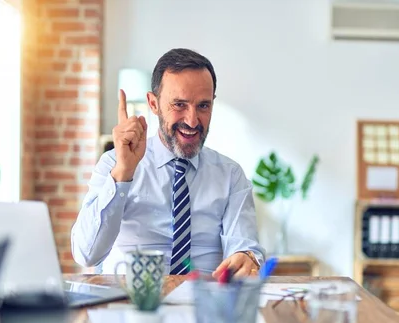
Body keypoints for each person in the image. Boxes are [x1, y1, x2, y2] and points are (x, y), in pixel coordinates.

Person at [71, 48, 265, 278]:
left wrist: (246, 257)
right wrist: (123, 173)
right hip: (129, 300)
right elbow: (86, 254)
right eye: (179, 105)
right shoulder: (113, 164)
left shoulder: (231, 175)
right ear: (153, 104)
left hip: (202, 301)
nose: (192, 120)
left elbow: (244, 246)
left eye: (203, 105)